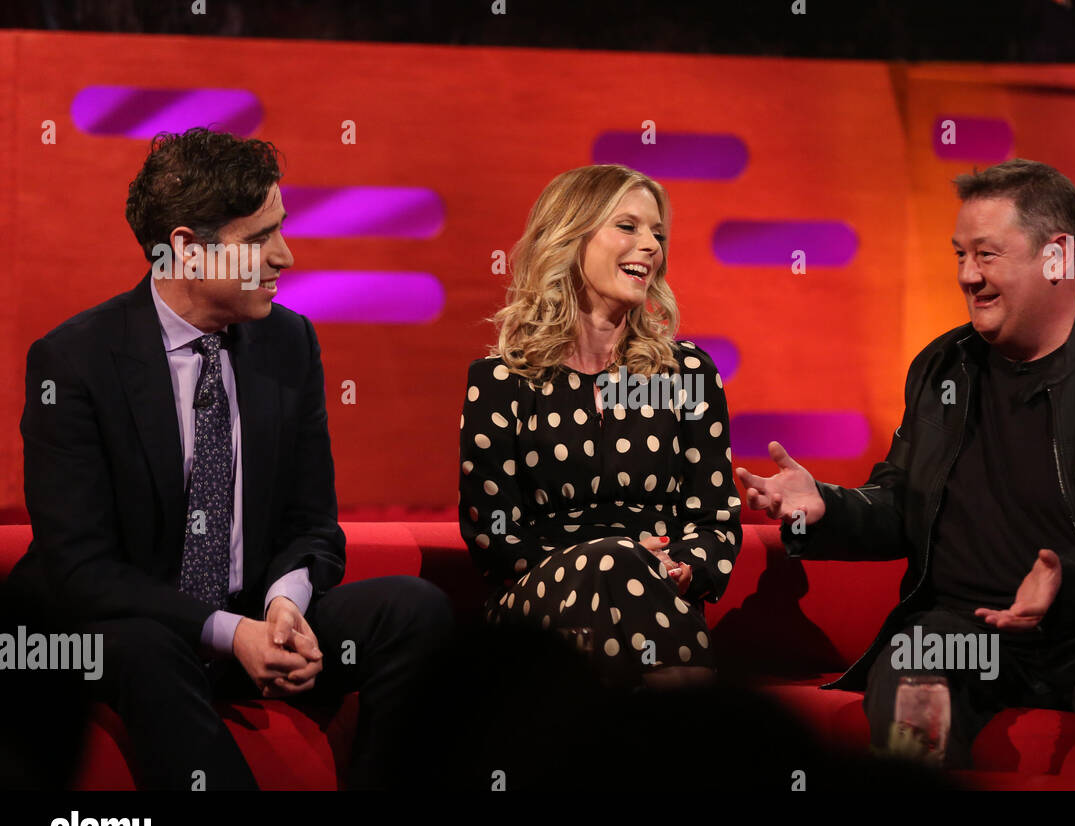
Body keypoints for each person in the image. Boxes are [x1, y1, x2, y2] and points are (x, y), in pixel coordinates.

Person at [737, 158, 1075, 787]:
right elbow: (902, 504)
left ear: (1057, 256)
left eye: (987, 255)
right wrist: (826, 508)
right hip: (972, 631)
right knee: (913, 658)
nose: (968, 276)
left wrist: (1069, 574)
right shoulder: (942, 366)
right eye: (960, 256)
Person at [8, 127, 453, 789]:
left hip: (254, 617)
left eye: (282, 228)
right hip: (134, 629)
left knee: (414, 609)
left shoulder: (288, 343)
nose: (286, 255)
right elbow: (82, 571)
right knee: (150, 646)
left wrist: (282, 606)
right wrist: (225, 630)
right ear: (186, 249)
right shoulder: (75, 361)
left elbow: (313, 525)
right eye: (259, 238)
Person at [458, 164, 739, 688]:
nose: (651, 245)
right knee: (611, 564)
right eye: (628, 227)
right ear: (571, 236)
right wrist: (605, 558)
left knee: (624, 580)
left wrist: (682, 568)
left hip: (659, 596)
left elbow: (716, 520)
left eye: (658, 233)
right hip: (536, 606)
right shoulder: (502, 380)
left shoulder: (688, 373)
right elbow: (493, 538)